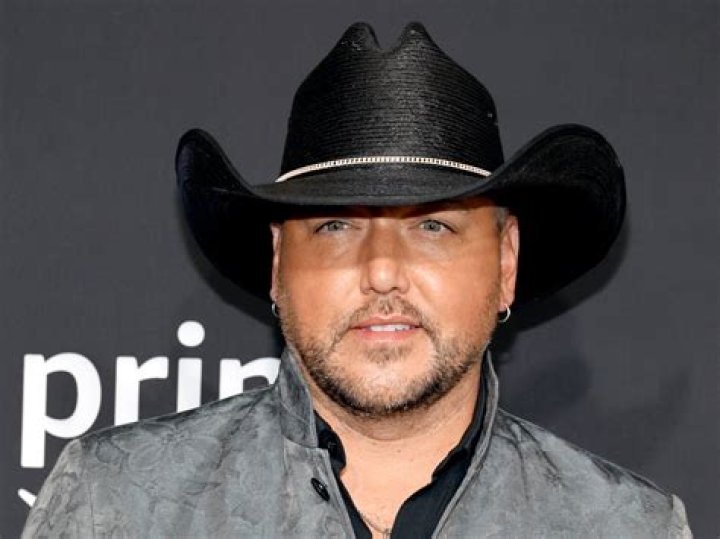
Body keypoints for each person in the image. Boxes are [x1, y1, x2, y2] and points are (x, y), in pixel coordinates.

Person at [24, 22, 691, 538]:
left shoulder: (627, 527)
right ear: (279, 263)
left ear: (506, 261)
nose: (381, 270)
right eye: (335, 225)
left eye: (433, 226)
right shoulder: (115, 506)